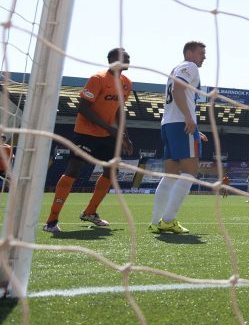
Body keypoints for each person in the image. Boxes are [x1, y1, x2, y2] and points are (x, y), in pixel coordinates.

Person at [43, 48, 135, 233]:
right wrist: (109, 128)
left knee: (112, 170)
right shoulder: (98, 79)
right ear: (113, 60)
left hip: (107, 136)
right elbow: (83, 108)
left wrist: (124, 135)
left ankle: (90, 212)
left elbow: (119, 110)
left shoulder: (126, 83)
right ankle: (51, 220)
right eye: (125, 57)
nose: (129, 59)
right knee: (74, 169)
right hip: (85, 133)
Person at [150, 41, 208, 234]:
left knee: (171, 175)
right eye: (201, 53)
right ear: (190, 53)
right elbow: (177, 90)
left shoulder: (175, 69)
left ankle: (155, 221)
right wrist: (190, 119)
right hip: (180, 124)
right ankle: (168, 220)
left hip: (168, 124)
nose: (204, 57)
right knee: (190, 172)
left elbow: (176, 93)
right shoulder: (189, 66)